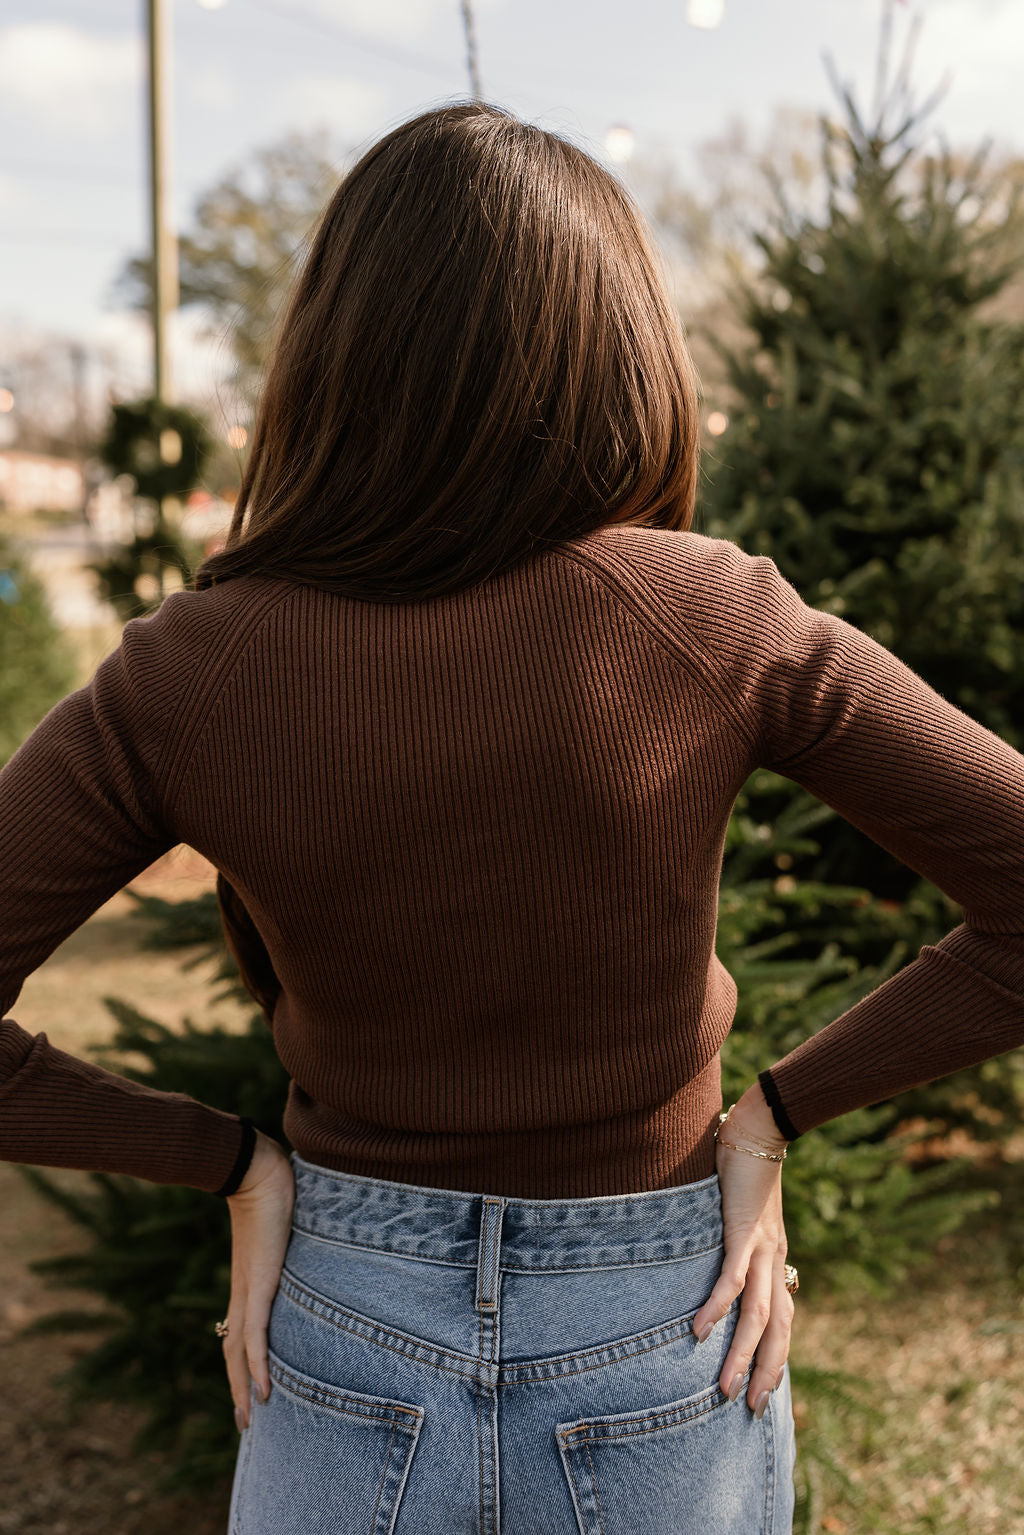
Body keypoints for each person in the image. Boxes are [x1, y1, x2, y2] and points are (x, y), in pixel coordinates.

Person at [2, 101, 1023, 1535]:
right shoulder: (710, 620)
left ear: (333, 362)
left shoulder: (191, 668)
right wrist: (773, 1119)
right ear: (623, 353)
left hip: (345, 1319)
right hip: (669, 1322)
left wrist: (227, 1162)